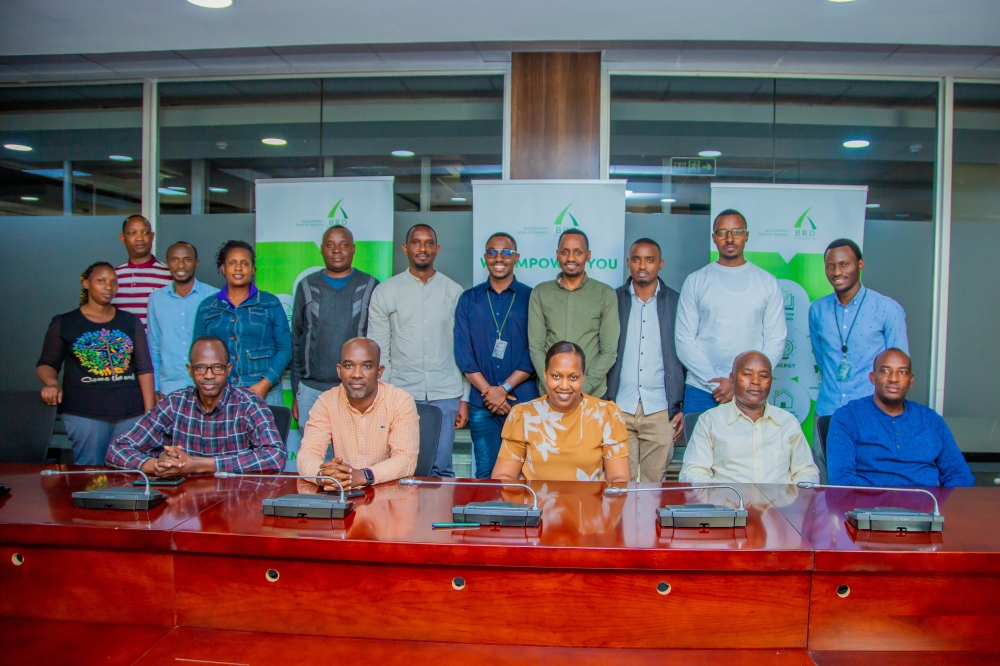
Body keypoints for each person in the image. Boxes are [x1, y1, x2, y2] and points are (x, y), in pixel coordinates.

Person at [367, 224, 469, 478]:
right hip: (402, 393)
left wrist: (464, 398)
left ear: (437, 249)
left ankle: (441, 506)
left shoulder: (454, 292)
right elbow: (378, 351)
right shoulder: (386, 291)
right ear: (405, 248)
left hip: (446, 393)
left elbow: (465, 350)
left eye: (428, 243)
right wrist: (383, 397)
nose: (422, 248)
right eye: (416, 242)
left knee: (441, 467)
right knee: (402, 468)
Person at [105, 335, 286, 475]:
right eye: (200, 368)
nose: (209, 375)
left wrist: (197, 464)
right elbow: (117, 449)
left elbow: (275, 456)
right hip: (184, 501)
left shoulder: (249, 403)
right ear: (190, 370)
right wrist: (158, 466)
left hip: (236, 498)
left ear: (228, 369)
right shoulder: (174, 404)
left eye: (217, 367)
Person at [37, 261, 155, 465]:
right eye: (101, 281)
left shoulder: (130, 321)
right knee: (90, 471)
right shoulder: (64, 322)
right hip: (84, 414)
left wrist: (149, 414)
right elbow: (47, 363)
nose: (109, 287)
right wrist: (51, 383)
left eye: (113, 282)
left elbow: (144, 369)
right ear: (86, 283)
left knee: (127, 471)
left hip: (130, 413)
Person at [809, 238, 908, 480]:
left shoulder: (887, 309)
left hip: (872, 415)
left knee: (873, 483)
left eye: (845, 264)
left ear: (860, 264)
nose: (837, 272)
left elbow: (899, 368)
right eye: (830, 266)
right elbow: (823, 360)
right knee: (828, 484)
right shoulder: (817, 310)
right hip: (828, 412)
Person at [675, 209, 786, 414]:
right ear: (714, 238)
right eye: (722, 232)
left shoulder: (767, 282)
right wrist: (716, 384)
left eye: (736, 232)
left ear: (746, 236)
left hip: (750, 391)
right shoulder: (695, 281)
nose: (729, 238)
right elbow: (684, 342)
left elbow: (775, 341)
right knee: (700, 437)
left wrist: (741, 383)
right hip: (702, 389)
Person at [454, 232, 538, 478]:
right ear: (485, 257)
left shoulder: (532, 298)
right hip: (482, 404)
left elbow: (535, 349)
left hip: (522, 402)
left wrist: (503, 389)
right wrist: (489, 392)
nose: (498, 258)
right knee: (485, 473)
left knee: (526, 474)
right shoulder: (469, 299)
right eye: (492, 252)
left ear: (516, 257)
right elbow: (463, 352)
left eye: (506, 252)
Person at [826, 348, 974, 487]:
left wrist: (941, 503)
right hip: (869, 504)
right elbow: (842, 479)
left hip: (926, 503)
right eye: (885, 371)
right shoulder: (848, 417)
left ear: (911, 381)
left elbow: (959, 474)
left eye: (902, 372)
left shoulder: (930, 420)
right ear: (873, 378)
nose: (894, 379)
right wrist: (885, 502)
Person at [606, 238, 686, 482]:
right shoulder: (612, 300)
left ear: (660, 264)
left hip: (661, 410)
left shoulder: (678, 302)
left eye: (649, 260)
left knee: (654, 487)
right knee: (620, 484)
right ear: (628, 263)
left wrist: (682, 405)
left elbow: (688, 354)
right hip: (619, 408)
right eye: (637, 259)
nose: (642, 265)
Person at [493, 341, 631, 482]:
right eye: (556, 376)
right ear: (545, 374)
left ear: (583, 376)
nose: (564, 386)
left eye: (573, 377)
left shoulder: (606, 414)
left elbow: (618, 479)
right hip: (534, 497)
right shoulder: (523, 415)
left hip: (592, 497)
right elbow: (504, 477)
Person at [297, 338, 419, 490]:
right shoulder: (326, 402)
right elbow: (308, 453)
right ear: (339, 370)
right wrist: (323, 476)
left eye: (366, 366)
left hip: (388, 494)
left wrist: (363, 475)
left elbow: (406, 459)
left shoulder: (400, 401)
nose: (356, 374)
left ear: (379, 371)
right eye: (349, 366)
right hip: (344, 494)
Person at [680, 351, 819, 484]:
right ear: (732, 379)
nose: (756, 381)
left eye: (763, 376)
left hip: (778, 501)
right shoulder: (710, 421)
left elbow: (806, 471)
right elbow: (693, 472)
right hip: (727, 500)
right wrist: (719, 495)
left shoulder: (787, 422)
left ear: (771, 381)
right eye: (747, 374)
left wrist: (796, 496)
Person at [291, 225, 379, 431]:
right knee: (314, 451)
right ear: (322, 249)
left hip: (357, 391)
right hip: (311, 392)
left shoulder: (370, 285)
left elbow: (379, 342)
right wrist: (297, 392)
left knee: (355, 450)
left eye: (343, 245)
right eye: (330, 245)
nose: (337, 250)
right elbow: (296, 340)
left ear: (353, 249)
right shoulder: (306, 286)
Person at [192, 240, 291, 407]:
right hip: (222, 392)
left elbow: (285, 348)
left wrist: (265, 383)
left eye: (244, 263)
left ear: (253, 269)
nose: (238, 268)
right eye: (232, 263)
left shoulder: (270, 303)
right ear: (223, 268)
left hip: (265, 391)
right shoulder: (207, 307)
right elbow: (198, 353)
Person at [527, 229, 620, 399]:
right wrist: (553, 386)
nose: (570, 258)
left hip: (592, 395)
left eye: (578, 252)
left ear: (588, 255)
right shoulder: (540, 293)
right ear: (557, 255)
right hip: (550, 396)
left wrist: (580, 388)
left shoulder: (606, 294)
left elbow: (608, 352)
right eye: (565, 252)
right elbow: (536, 348)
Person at [147, 241, 218, 399]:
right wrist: (156, 388)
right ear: (167, 263)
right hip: (169, 389)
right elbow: (154, 347)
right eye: (175, 260)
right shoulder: (156, 299)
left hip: (208, 387)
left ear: (196, 263)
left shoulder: (214, 297)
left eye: (187, 260)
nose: (180, 265)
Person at [112, 215, 172, 328]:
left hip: (156, 340)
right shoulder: (113, 276)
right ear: (122, 237)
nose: (139, 238)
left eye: (144, 232)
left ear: (152, 236)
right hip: (121, 339)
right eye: (132, 233)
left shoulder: (168, 274)